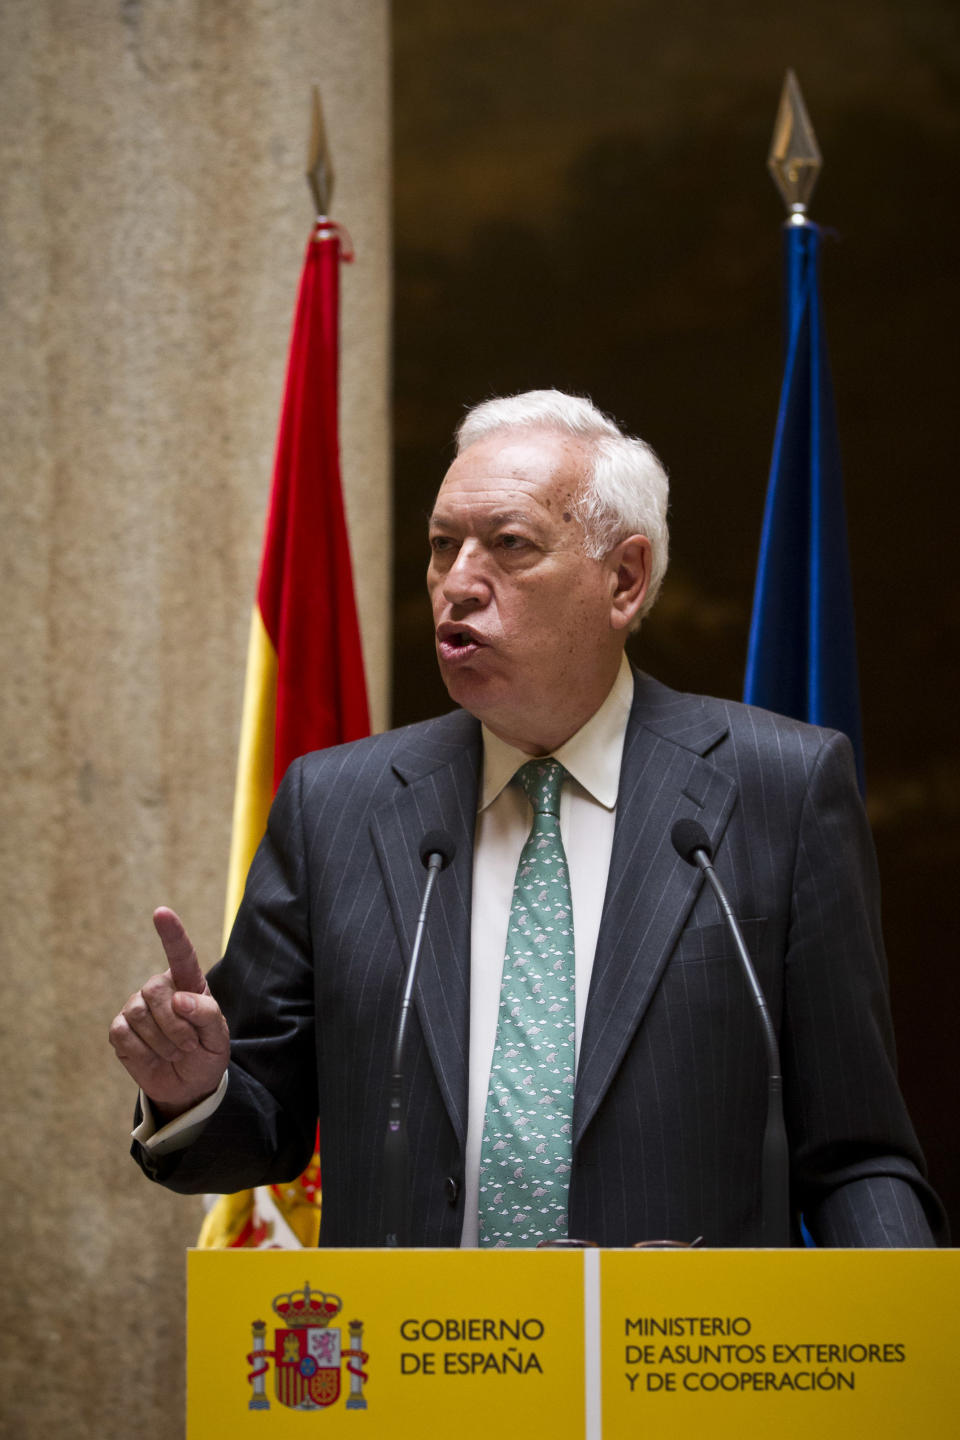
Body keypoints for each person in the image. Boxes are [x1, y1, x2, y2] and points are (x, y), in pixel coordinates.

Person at [110, 389, 945, 1248]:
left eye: (508, 545)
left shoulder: (781, 790)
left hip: (676, 1367)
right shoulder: (338, 807)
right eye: (443, 547)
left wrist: (905, 1347)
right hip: (414, 1365)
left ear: (624, 579)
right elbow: (260, 1125)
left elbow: (855, 1156)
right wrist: (192, 1090)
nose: (458, 585)